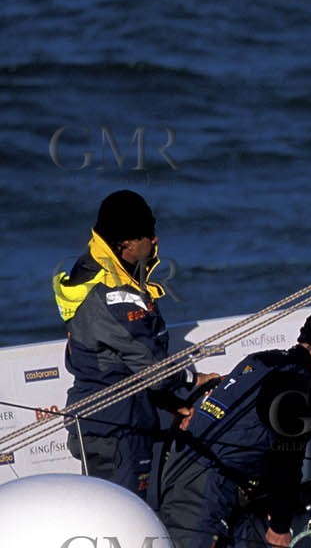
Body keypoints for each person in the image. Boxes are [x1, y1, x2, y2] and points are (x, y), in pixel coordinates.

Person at [156, 306, 311, 548]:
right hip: (206, 485)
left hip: (181, 465)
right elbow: (286, 462)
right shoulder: (299, 391)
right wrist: (280, 527)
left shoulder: (262, 360)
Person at [53, 190, 201, 498]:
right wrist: (190, 380)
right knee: (121, 522)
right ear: (127, 243)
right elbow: (150, 367)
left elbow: (128, 363)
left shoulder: (109, 272)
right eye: (148, 234)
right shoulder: (111, 293)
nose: (156, 240)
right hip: (113, 429)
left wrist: (171, 403)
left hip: (120, 421)